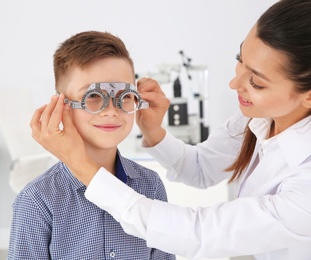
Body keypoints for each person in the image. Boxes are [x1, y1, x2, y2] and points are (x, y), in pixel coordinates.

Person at [30, 1, 311, 259]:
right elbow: (201, 168)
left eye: (257, 83)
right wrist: (154, 132)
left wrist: (78, 162)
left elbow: (196, 234)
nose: (234, 84)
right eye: (240, 59)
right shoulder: (38, 199)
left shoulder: (149, 184)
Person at [8, 31, 175, 260]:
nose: (111, 110)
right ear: (61, 104)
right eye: (94, 95)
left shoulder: (151, 186)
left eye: (124, 95)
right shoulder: (37, 200)